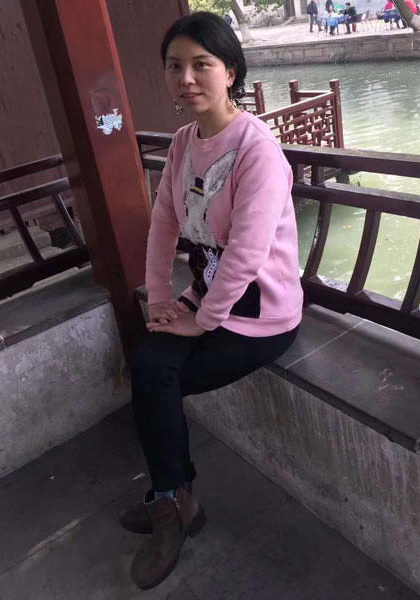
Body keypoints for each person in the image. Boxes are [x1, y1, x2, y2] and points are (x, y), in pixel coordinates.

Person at [119, 10, 303, 591]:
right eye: (175, 66)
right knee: (149, 364)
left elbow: (248, 253)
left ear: (231, 72)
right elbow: (163, 225)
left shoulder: (257, 151)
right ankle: (175, 499)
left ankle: (171, 503)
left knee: (156, 378)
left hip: (262, 313)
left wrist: (201, 320)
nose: (187, 78)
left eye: (202, 64)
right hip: (209, 296)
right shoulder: (182, 144)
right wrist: (161, 299)